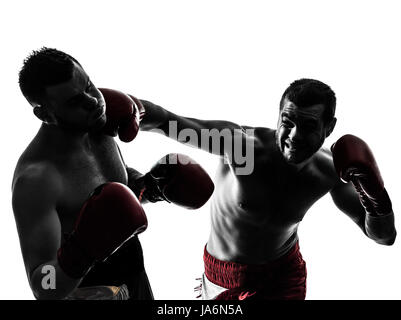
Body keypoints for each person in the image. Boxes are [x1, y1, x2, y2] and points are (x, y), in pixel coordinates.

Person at [134, 78, 397, 300]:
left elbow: (383, 236)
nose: (294, 136)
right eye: (288, 122)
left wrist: (376, 197)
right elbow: (166, 121)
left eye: (308, 126)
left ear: (329, 127)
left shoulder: (328, 171)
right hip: (221, 275)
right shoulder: (242, 148)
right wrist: (124, 110)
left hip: (282, 278)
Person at [12, 48, 214, 300]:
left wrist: (150, 187)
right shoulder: (37, 180)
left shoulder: (103, 116)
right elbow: (43, 285)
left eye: (89, 85)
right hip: (91, 293)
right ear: (45, 114)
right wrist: (79, 254)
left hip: (135, 276)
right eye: (75, 101)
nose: (93, 101)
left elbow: (114, 199)